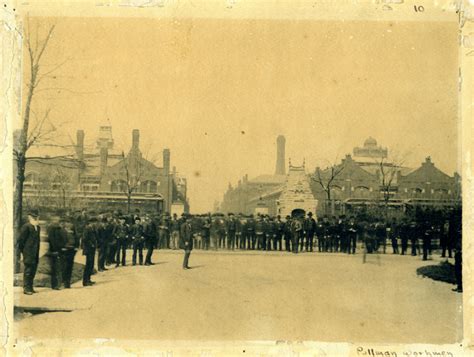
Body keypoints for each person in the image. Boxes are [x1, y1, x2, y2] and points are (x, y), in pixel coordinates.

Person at [18, 209, 41, 295]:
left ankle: (30, 287)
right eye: (34, 217)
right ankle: (26, 288)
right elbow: (21, 241)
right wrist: (23, 252)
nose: (36, 219)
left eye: (37, 217)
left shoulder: (38, 227)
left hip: (35, 253)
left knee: (33, 271)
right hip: (28, 253)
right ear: (29, 217)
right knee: (28, 271)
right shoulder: (26, 227)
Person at [61, 215, 80, 289]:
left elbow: (76, 237)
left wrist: (76, 247)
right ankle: (64, 282)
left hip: (71, 250)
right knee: (65, 266)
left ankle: (67, 283)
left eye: (69, 222)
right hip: (65, 250)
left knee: (69, 266)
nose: (69, 224)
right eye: (67, 222)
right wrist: (62, 247)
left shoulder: (73, 228)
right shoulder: (62, 229)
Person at [82, 217, 98, 286]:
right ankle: (85, 281)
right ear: (91, 222)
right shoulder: (87, 228)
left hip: (92, 249)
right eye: (95, 222)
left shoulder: (92, 229)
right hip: (88, 249)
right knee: (88, 264)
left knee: (91, 264)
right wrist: (91, 244)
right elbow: (84, 239)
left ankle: (88, 279)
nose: (96, 224)